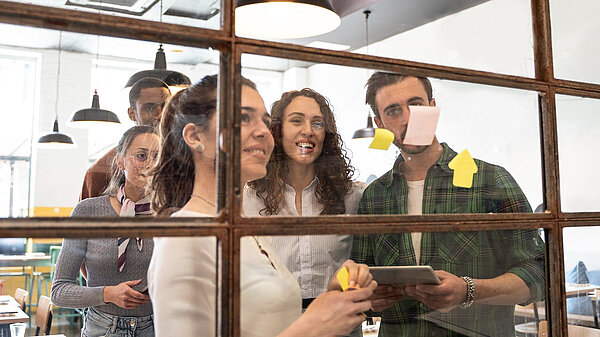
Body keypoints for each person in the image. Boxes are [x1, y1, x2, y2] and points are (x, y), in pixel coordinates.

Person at [148, 75, 376, 337]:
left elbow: (267, 319)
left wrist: (332, 296)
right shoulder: (186, 236)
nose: (263, 132)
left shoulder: (244, 228)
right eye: (244, 118)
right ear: (195, 135)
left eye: (265, 122)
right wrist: (312, 327)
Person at [351, 72, 545, 336]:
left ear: (433, 107)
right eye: (394, 111)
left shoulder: (491, 180)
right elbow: (361, 281)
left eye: (416, 105)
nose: (407, 119)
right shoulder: (374, 197)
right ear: (380, 123)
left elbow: (540, 272)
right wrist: (370, 300)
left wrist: (469, 290)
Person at [244, 88, 366, 311]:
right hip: (274, 326)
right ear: (278, 131)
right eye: (297, 121)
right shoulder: (248, 200)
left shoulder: (351, 196)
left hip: (338, 325)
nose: (308, 131)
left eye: (318, 123)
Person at [52, 125, 159, 337]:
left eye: (157, 157)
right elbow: (59, 292)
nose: (150, 164)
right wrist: (108, 293)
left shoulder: (170, 215)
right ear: (120, 161)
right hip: (101, 329)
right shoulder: (88, 211)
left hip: (157, 327)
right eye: (141, 155)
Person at [80, 77, 172, 200]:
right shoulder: (100, 172)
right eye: (149, 108)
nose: (160, 114)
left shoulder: (187, 162)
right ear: (132, 114)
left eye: (166, 107)